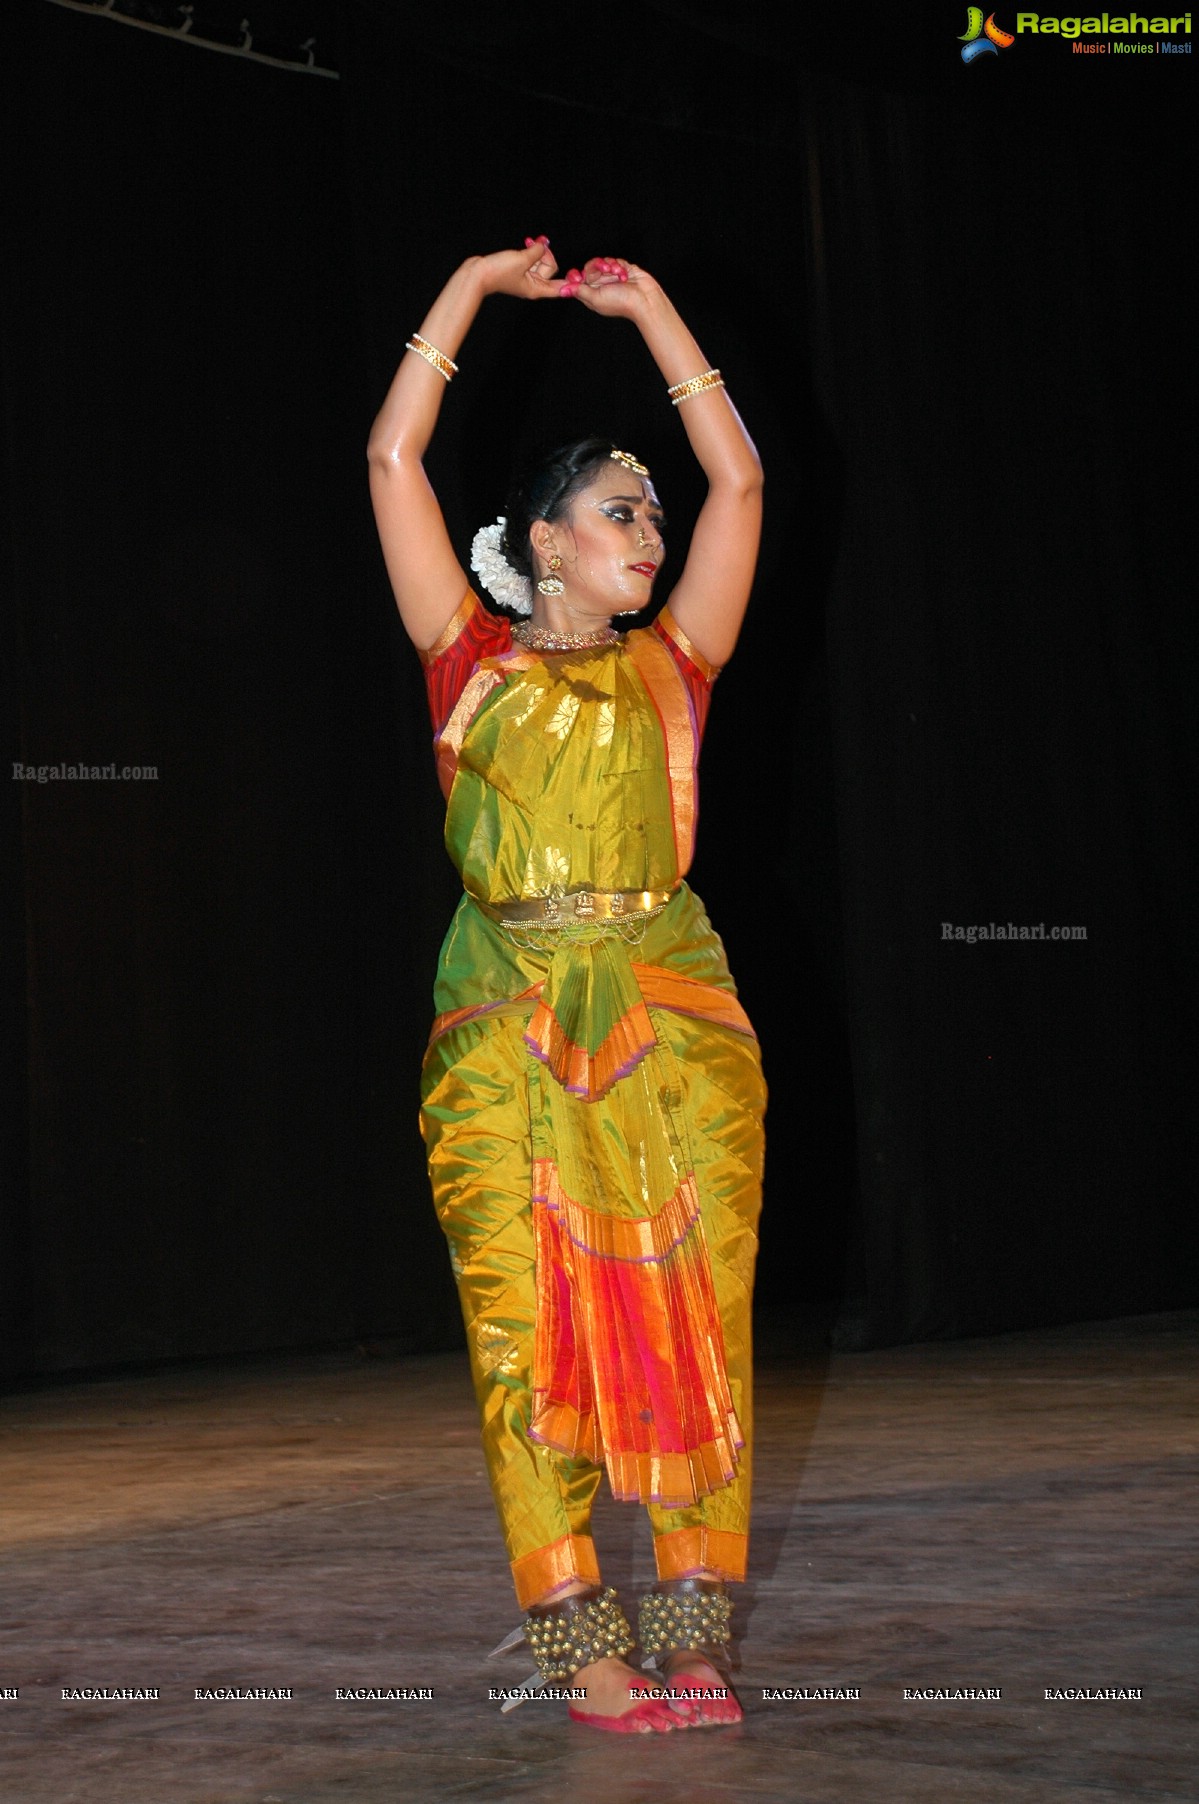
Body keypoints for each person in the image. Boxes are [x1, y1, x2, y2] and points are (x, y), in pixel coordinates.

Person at [367, 239, 766, 1734]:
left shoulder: (679, 667)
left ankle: (692, 1631)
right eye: (617, 508)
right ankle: (579, 1651)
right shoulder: (465, 661)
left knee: (696, 1322)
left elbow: (744, 489)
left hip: (673, 1023)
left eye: (648, 508)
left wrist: (658, 309)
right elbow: (391, 450)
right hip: (502, 1036)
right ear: (543, 540)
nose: (650, 526)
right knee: (523, 1337)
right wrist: (469, 292)